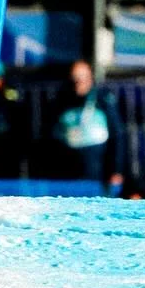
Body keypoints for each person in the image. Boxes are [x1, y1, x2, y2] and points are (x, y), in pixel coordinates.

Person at [48, 59, 124, 190]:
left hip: (96, 167)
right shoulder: (62, 102)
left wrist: (116, 169)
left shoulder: (103, 100)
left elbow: (117, 135)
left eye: (82, 78)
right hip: (69, 170)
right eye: (74, 78)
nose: (78, 82)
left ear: (90, 78)